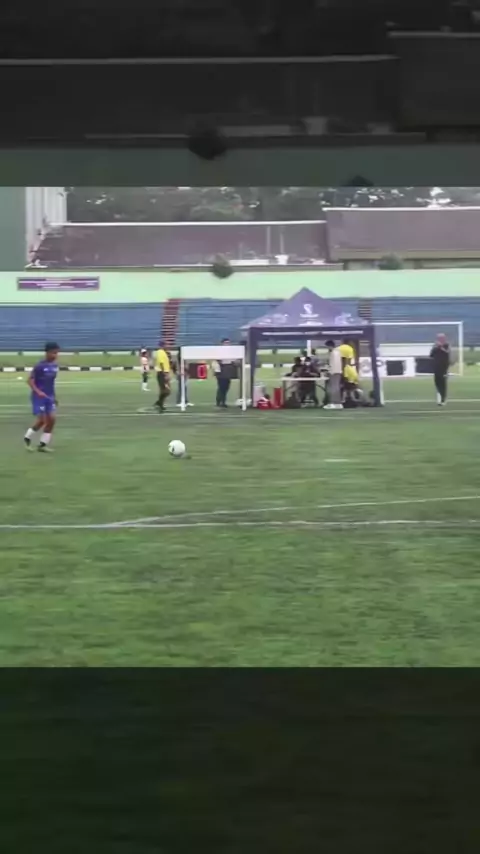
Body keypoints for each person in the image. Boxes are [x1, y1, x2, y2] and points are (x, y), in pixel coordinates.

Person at [24, 341, 60, 452]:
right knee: (42, 420)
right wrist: (38, 392)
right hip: (38, 397)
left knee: (52, 419)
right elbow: (29, 381)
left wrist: (54, 397)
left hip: (49, 397)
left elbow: (51, 383)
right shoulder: (40, 366)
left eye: (56, 353)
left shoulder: (55, 366)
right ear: (47, 352)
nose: (55, 355)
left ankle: (42, 445)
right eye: (53, 353)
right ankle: (27, 437)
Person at [430, 333, 450, 406]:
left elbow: (447, 352)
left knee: (443, 384)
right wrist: (435, 347)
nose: (440, 339)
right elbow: (431, 355)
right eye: (439, 338)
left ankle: (443, 400)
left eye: (442, 338)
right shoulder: (435, 346)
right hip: (436, 368)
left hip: (443, 368)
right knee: (437, 384)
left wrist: (440, 346)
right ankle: (439, 399)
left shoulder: (446, 345)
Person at [213, 338, 233, 408]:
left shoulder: (231, 352)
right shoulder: (219, 351)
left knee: (226, 386)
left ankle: (223, 401)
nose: (227, 344)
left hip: (228, 370)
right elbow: (217, 361)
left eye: (228, 343)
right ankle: (219, 401)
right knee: (221, 387)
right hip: (221, 370)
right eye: (226, 343)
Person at [324, 340, 343, 410]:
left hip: (334, 372)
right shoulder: (337, 352)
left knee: (333, 388)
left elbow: (333, 364)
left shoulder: (333, 353)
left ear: (330, 346)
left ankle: (333, 403)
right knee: (336, 387)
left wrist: (329, 371)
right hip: (337, 372)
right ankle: (338, 403)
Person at [154, 340, 171, 412]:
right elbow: (161, 363)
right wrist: (165, 374)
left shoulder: (164, 352)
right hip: (162, 373)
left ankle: (159, 403)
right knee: (165, 390)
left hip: (164, 372)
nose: (167, 346)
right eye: (166, 345)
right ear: (162, 345)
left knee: (167, 390)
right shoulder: (160, 352)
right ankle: (160, 404)